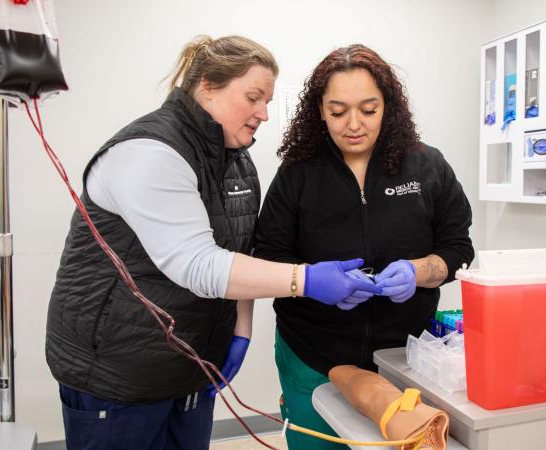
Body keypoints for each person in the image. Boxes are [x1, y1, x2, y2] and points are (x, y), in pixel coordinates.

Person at [45, 35, 381, 450]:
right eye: (254, 97)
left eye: (267, 101)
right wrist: (306, 280)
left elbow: (240, 253)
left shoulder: (235, 160)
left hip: (190, 366)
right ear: (207, 85)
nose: (263, 113)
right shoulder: (149, 152)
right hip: (118, 375)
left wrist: (238, 332)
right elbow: (198, 265)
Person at [254, 44, 474, 449]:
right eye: (338, 111)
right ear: (319, 110)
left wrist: (420, 271)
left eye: (368, 110)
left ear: (388, 107)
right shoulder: (296, 175)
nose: (353, 124)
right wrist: (309, 282)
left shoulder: (427, 167)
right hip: (313, 355)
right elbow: (268, 257)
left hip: (404, 357)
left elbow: (458, 247)